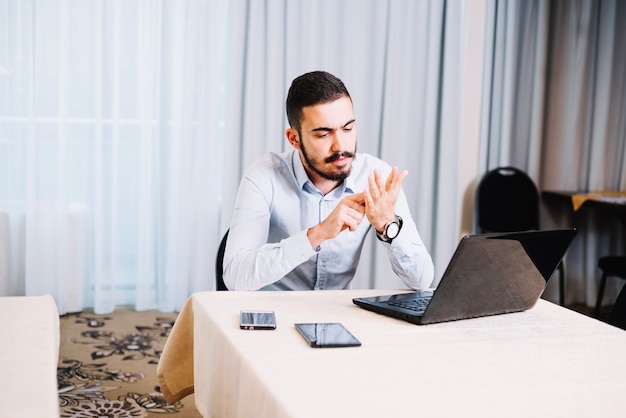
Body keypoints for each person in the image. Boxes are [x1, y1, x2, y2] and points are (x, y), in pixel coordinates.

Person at [223, 70, 434, 291]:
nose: (341, 146)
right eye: (324, 135)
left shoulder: (375, 177)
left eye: (348, 128)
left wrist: (388, 225)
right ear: (294, 138)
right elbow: (235, 277)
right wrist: (318, 233)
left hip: (338, 317)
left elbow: (422, 281)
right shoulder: (264, 176)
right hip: (273, 314)